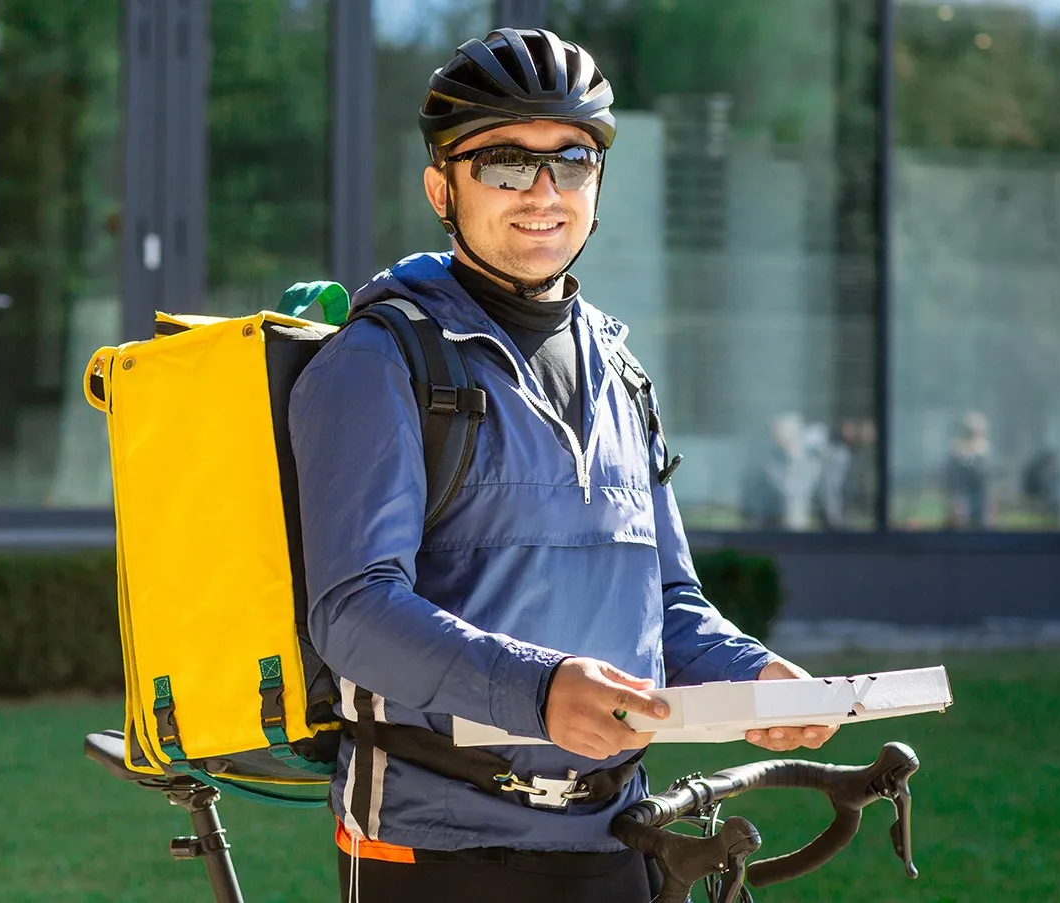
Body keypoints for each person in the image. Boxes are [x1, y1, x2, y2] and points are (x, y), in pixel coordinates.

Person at [289, 28, 837, 903]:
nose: (543, 192)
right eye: (505, 162)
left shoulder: (617, 370)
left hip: (616, 830)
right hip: (435, 846)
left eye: (572, 161)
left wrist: (750, 675)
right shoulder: (378, 359)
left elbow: (663, 600)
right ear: (441, 188)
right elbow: (353, 611)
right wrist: (538, 689)